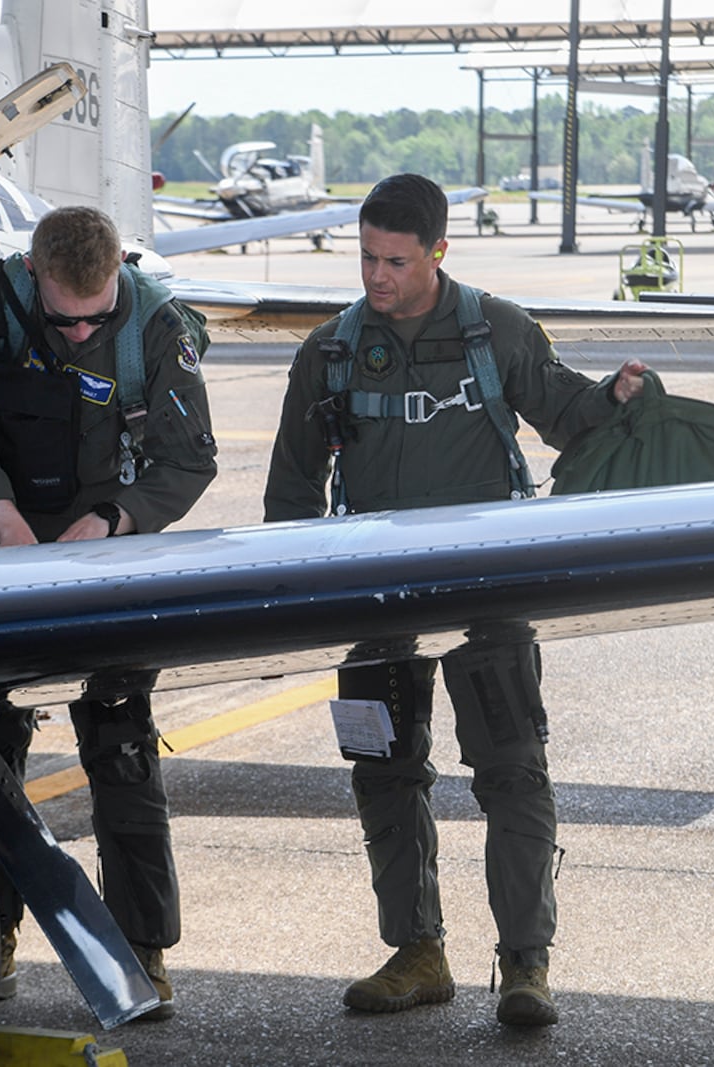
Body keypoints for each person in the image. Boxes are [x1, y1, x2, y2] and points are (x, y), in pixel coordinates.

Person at [262, 173, 647, 1027]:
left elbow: (562, 410)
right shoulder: (329, 350)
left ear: (438, 251)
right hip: (371, 596)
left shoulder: (496, 330)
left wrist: (612, 400)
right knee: (384, 773)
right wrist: (289, 603)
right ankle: (417, 951)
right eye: (366, 257)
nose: (376, 277)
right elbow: (291, 489)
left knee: (511, 771)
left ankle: (524, 964)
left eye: (395, 260)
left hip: (485, 588)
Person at [0, 205, 218, 1021]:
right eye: (66, 319)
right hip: (1, 549)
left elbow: (190, 456)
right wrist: (12, 533)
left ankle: (141, 950)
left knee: (122, 749)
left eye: (100, 315)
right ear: (32, 274)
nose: (85, 332)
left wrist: (118, 518)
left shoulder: (157, 326)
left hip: (107, 557)